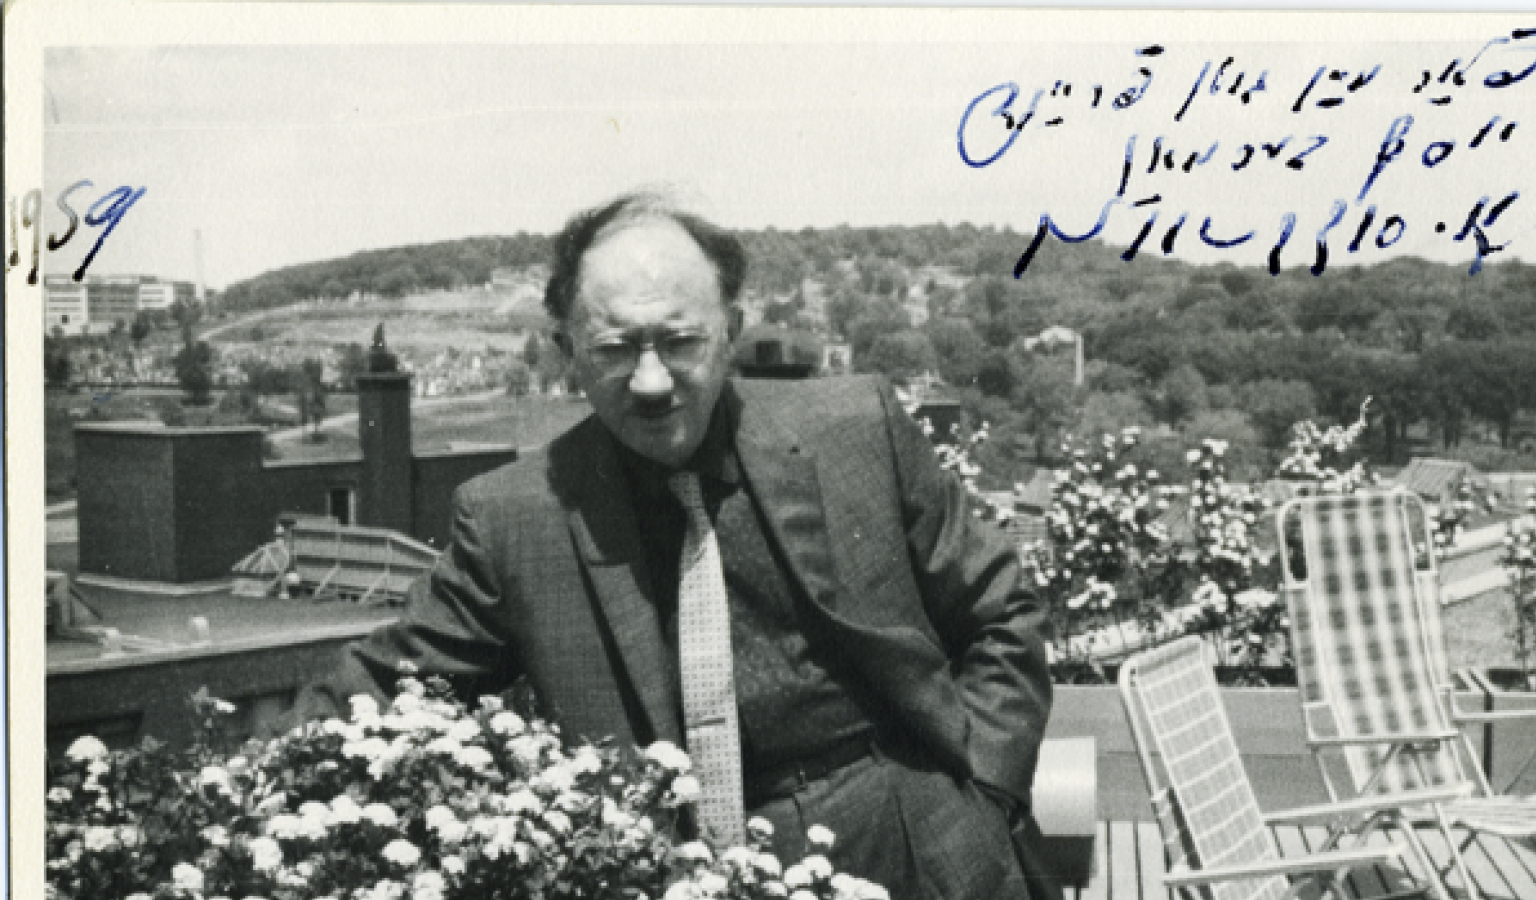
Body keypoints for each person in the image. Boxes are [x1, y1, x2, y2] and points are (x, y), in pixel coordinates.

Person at [296, 192, 1053, 900]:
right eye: (617, 349)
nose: (652, 381)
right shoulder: (512, 519)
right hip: (684, 875)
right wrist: (263, 798)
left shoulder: (858, 428)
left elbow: (1000, 613)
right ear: (567, 351)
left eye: (680, 341)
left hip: (915, 841)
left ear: (731, 326)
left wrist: (984, 795)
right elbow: (380, 691)